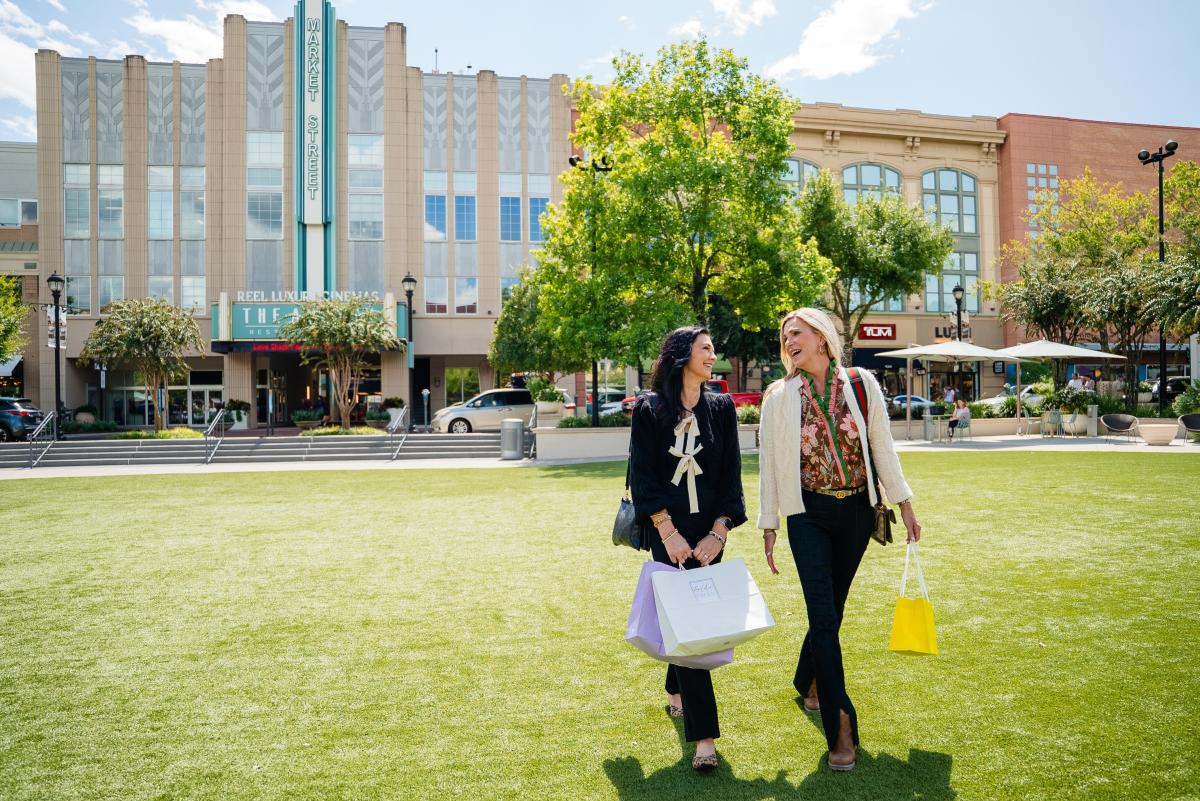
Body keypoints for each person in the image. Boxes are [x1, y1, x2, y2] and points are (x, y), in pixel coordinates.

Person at [757, 308, 922, 773]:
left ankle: (806, 678)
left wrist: (904, 503)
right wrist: (769, 525)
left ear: (822, 337)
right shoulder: (778, 397)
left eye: (797, 333)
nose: (789, 340)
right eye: (785, 335)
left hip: (855, 512)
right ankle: (841, 726)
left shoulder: (861, 383)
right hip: (806, 515)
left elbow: (882, 447)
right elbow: (770, 464)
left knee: (834, 610)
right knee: (824, 618)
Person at [629, 325, 746, 772]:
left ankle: (674, 688)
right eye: (704, 348)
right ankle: (704, 741)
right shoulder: (650, 409)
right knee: (695, 633)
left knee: (690, 621)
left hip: (709, 534)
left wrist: (719, 531)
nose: (712, 355)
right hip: (669, 535)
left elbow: (731, 474)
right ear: (681, 356)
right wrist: (668, 533)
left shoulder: (721, 407)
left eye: (713, 348)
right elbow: (644, 475)